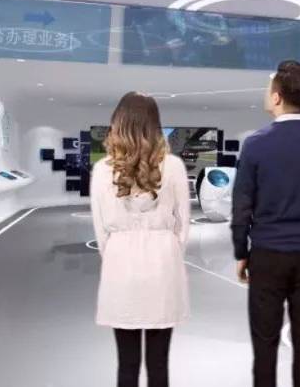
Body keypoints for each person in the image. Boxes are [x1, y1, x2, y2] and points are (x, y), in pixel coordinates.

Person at [231, 60, 300, 387]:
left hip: (267, 256)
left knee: (264, 345)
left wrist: (241, 253)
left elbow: (242, 208)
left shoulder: (255, 144)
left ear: (277, 97)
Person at [90, 92, 191, 387]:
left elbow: (101, 232)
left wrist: (118, 254)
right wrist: (167, 250)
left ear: (118, 122)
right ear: (154, 124)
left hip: (120, 266)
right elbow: (183, 225)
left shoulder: (102, 170)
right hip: (163, 265)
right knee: (159, 363)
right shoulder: (174, 166)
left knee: (127, 364)